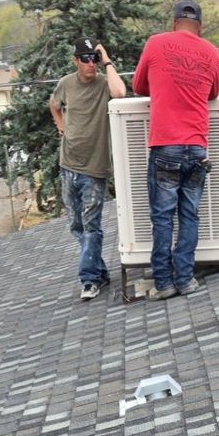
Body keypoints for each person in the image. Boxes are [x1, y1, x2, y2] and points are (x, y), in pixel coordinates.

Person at [130, 0, 219, 299]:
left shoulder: (156, 44)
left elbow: (139, 87)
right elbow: (213, 92)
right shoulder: (210, 51)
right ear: (200, 27)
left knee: (162, 217)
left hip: (165, 146)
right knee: (190, 215)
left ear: (173, 23)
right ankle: (185, 280)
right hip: (196, 148)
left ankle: (164, 284)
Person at [50, 40, 127, 300]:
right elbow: (54, 103)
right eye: (85, 58)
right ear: (75, 61)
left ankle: (89, 280)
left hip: (94, 169)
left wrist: (107, 58)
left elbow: (120, 93)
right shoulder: (66, 83)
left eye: (93, 58)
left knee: (92, 226)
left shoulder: (104, 83)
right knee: (77, 226)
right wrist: (60, 125)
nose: (90, 63)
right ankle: (100, 272)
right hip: (67, 165)